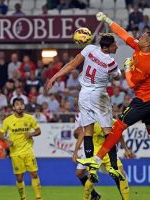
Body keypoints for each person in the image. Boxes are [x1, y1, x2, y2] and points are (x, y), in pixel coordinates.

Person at [77, 12, 150, 173]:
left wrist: (127, 68)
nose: (138, 38)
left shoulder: (146, 62)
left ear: (147, 43)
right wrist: (108, 20)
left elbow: (131, 83)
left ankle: (97, 159)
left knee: (118, 126)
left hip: (144, 100)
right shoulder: (141, 49)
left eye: (142, 37)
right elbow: (124, 35)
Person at [46, 34, 122, 182]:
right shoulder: (110, 61)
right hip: (99, 95)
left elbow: (72, 65)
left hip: (84, 94)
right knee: (108, 131)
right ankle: (113, 166)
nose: (117, 46)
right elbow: (117, 77)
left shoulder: (89, 49)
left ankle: (91, 165)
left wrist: (55, 77)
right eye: (115, 45)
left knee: (88, 130)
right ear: (107, 47)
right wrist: (121, 71)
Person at [73, 115, 134, 200]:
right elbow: (82, 135)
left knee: (121, 174)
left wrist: (126, 149)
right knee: (91, 177)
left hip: (108, 152)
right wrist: (75, 152)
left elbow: (119, 135)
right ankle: (88, 197)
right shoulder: (92, 122)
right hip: (95, 153)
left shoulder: (114, 122)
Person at [0, 98, 42, 200]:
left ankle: (38, 197)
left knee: (34, 174)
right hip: (15, 153)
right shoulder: (8, 120)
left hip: (28, 151)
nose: (20, 106)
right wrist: (6, 140)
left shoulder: (30, 118)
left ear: (24, 106)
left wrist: (31, 133)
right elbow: (0, 134)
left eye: (21, 104)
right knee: (19, 178)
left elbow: (38, 131)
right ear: (13, 107)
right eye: (17, 104)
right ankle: (23, 197)